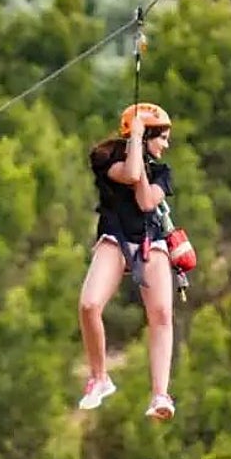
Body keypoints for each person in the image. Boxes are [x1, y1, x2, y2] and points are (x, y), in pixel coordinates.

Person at [78, 102, 176, 420]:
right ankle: (100, 377)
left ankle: (160, 394)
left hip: (150, 241)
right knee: (89, 305)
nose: (166, 144)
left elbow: (146, 200)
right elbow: (130, 173)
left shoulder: (162, 172)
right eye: (161, 137)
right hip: (115, 239)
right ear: (146, 135)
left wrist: (141, 152)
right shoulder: (104, 158)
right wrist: (134, 140)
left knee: (161, 313)